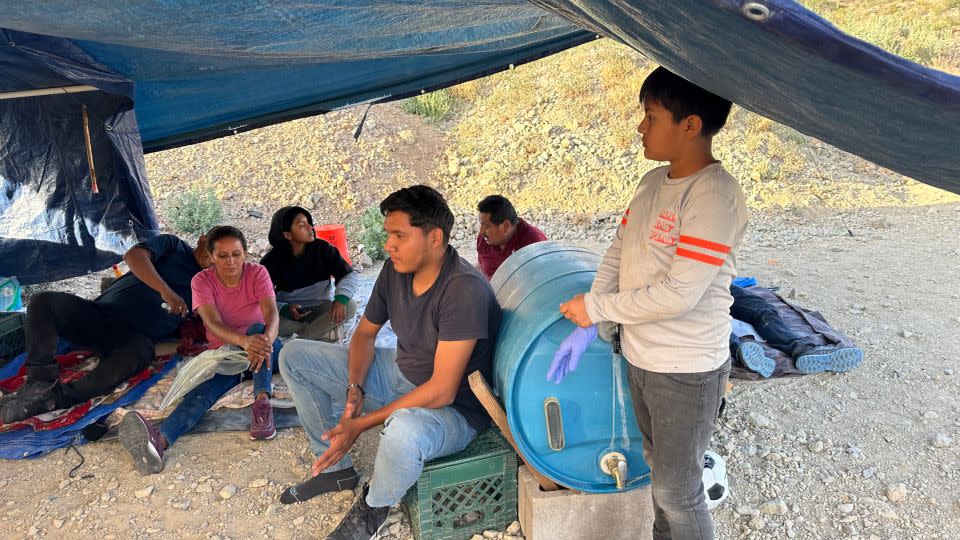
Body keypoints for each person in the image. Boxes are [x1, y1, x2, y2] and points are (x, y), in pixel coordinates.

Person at [549, 67, 747, 540]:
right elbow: (619, 249)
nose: (641, 127)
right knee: (661, 474)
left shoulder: (713, 195)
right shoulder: (652, 182)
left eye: (651, 116)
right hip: (643, 357)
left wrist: (597, 310)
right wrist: (591, 314)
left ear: (690, 125)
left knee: (679, 491)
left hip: (686, 366)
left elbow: (680, 294)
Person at [278, 185, 501, 540]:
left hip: (455, 409)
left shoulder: (463, 290)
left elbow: (442, 390)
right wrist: (355, 389)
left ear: (434, 237)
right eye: (388, 235)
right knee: (293, 355)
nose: (388, 246)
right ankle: (337, 471)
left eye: (399, 235)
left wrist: (362, 423)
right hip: (399, 372)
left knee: (402, 431)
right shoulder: (395, 271)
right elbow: (365, 335)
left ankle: (374, 507)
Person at [118, 225, 281, 475]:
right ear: (211, 257)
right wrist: (244, 344)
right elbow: (213, 324)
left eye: (236, 254)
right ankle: (158, 444)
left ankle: (262, 403)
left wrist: (265, 340)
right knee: (200, 396)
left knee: (257, 329)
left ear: (245, 254)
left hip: (265, 349)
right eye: (223, 256)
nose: (231, 261)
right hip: (228, 353)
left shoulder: (257, 273)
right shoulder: (202, 281)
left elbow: (271, 314)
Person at [0, 234, 211, 424]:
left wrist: (186, 345)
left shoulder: (209, 286)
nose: (214, 259)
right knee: (43, 301)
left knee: (137, 354)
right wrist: (166, 291)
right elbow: (134, 255)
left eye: (226, 256)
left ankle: (57, 399)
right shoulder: (174, 246)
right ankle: (40, 381)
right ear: (202, 240)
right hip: (100, 315)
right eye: (214, 250)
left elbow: (207, 328)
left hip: (133, 339)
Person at [260, 206, 359, 341]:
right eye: (302, 225)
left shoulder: (323, 249)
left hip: (321, 309)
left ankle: (302, 337)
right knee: (265, 323)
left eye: (309, 223)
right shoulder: (271, 261)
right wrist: (284, 308)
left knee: (350, 305)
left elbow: (348, 275)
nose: (310, 227)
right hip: (290, 315)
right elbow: (261, 297)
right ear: (287, 234)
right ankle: (322, 332)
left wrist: (341, 300)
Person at [729, 284, 863, 377]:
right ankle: (742, 352)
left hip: (719, 284)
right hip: (708, 289)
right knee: (714, 321)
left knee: (762, 308)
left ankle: (802, 349)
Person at [475, 195, 547, 279]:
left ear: (506, 226)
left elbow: (544, 281)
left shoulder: (534, 244)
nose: (481, 232)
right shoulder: (484, 239)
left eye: (486, 226)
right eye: (481, 224)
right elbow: (481, 266)